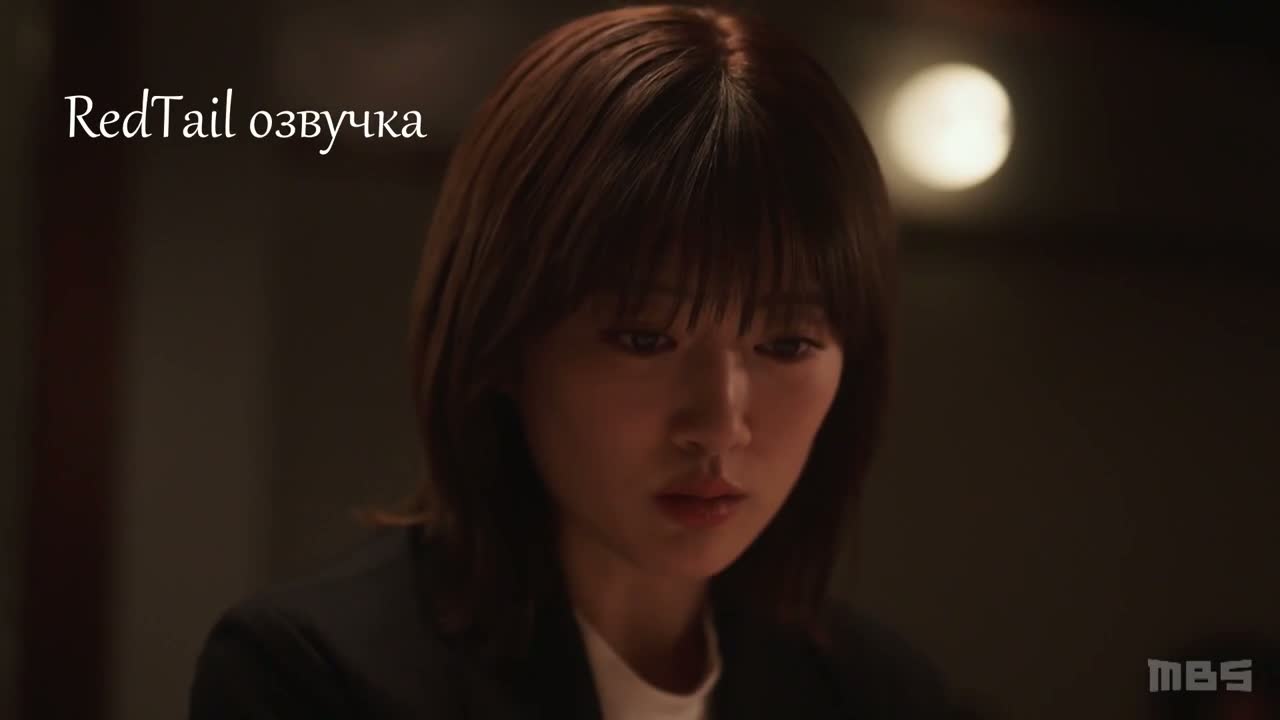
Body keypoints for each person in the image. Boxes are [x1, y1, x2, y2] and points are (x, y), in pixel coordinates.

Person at [189, 4, 956, 718]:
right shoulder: (317, 678)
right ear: (503, 335)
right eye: (645, 339)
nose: (720, 425)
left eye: (787, 345)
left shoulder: (883, 697)